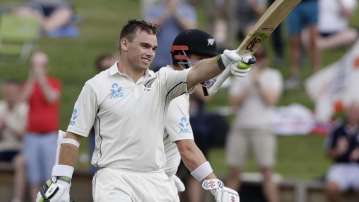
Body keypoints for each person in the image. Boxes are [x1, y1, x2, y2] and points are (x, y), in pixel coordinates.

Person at [36, 19, 255, 202]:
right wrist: (61, 179)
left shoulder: (163, 81)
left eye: (153, 48)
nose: (150, 53)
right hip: (114, 178)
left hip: (156, 180)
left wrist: (224, 61)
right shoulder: (96, 86)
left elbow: (196, 73)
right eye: (144, 46)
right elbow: (73, 136)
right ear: (124, 44)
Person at [164, 29, 234, 202]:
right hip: (145, 182)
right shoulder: (172, 91)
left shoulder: (172, 79)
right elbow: (187, 148)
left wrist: (228, 68)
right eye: (202, 59)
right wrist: (216, 187)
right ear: (182, 56)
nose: (208, 65)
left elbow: (206, 91)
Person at [225, 47, 283, 202]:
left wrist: (257, 81)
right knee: (234, 172)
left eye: (261, 56)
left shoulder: (273, 75)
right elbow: (233, 104)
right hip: (241, 128)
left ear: (266, 59)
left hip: (263, 128)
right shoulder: (241, 75)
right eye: (255, 57)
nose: (258, 60)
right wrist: (249, 83)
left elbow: (271, 100)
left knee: (267, 171)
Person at [20, 51, 61, 202]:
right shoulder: (28, 84)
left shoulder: (54, 82)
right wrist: (32, 79)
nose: (38, 68)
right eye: (35, 65)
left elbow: (51, 97)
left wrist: (41, 80)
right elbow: (22, 99)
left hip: (49, 136)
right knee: (33, 177)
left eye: (41, 65)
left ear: (46, 67)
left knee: (49, 177)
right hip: (31, 136)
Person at [145, 0, 197, 71]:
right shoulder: (155, 8)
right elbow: (149, 30)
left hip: (182, 60)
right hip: (159, 61)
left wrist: (176, 13)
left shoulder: (187, 9)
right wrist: (166, 13)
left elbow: (192, 30)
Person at [325, 100, 359, 202]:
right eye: (352, 111)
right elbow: (328, 153)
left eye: (357, 112)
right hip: (340, 166)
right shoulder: (337, 129)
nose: (354, 114)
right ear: (347, 112)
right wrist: (338, 150)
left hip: (358, 167)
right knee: (331, 189)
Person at [0, 80, 28, 202]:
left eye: (12, 92)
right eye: (7, 92)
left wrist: (8, 126)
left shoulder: (25, 109)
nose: (9, 95)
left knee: (20, 162)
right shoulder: (0, 108)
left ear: (18, 93)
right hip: (3, 147)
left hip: (19, 149)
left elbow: (25, 136)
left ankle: (17, 199)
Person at [286, 0, 320, 89]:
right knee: (294, 42)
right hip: (292, 5)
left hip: (311, 3)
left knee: (314, 41)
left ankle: (317, 74)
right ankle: (295, 76)